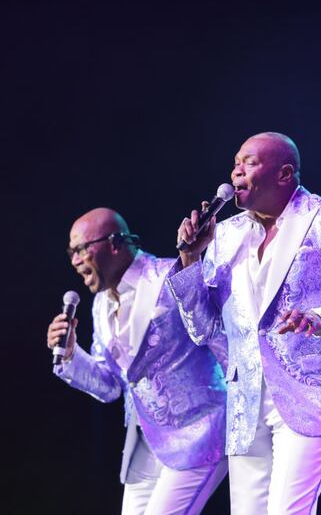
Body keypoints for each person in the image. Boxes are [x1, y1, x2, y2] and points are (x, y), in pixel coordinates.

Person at [168, 132, 321, 514]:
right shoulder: (225, 235)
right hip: (246, 400)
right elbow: (203, 329)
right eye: (235, 162)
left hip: (310, 391)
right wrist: (192, 261)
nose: (236, 171)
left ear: (284, 174)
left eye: (249, 162)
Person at [46, 208, 228, 515]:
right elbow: (109, 387)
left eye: (80, 249)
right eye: (71, 252)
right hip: (147, 444)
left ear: (114, 243)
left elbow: (217, 335)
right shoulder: (101, 304)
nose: (74, 260)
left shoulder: (169, 277)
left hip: (200, 431)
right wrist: (70, 354)